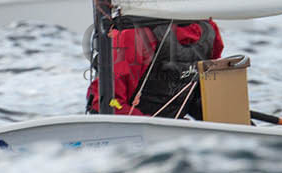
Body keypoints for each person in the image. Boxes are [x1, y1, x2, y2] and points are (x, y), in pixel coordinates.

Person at [86, 18, 224, 119]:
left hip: (172, 135)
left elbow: (201, 94)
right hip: (135, 132)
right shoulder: (132, 36)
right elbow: (109, 103)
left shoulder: (209, 31)